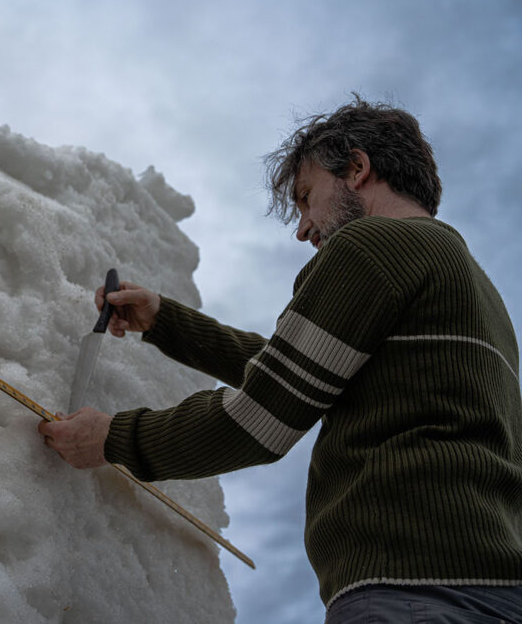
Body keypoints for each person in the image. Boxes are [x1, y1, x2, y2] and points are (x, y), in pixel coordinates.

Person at [38, 97, 522, 622]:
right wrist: (166, 322)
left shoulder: (374, 245)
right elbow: (297, 367)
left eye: (307, 196)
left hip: (411, 590)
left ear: (357, 169)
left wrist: (111, 438)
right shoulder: (473, 285)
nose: (302, 227)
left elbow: (260, 419)